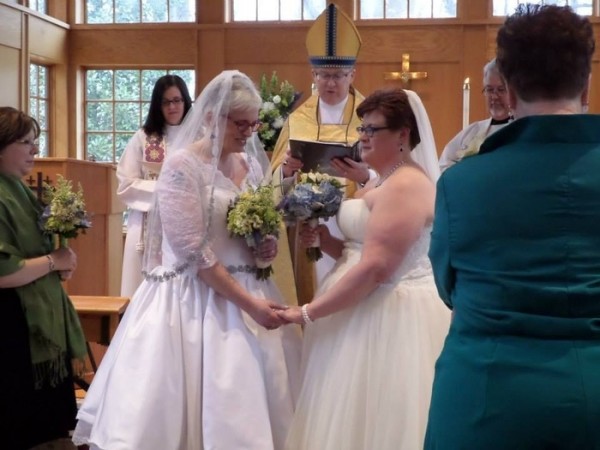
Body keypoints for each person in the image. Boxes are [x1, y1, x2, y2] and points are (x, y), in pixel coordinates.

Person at [72, 70, 301, 450]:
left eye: (253, 123)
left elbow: (258, 224)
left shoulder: (251, 164)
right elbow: (193, 250)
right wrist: (250, 306)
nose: (248, 132)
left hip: (250, 286)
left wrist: (266, 245)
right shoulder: (182, 167)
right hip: (195, 299)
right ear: (212, 118)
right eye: (240, 123)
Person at [426, 5, 600, 449]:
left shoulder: (460, 183)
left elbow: (449, 289)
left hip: (489, 399)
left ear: (509, 85)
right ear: (587, 81)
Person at [278, 88, 451, 450]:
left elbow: (376, 269)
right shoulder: (379, 179)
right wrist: (326, 242)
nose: (362, 137)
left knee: (377, 419)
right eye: (361, 128)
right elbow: (362, 249)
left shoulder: (405, 186)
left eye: (372, 130)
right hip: (358, 306)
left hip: (387, 316)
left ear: (403, 134)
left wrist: (306, 312)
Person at [270, 3, 373, 306]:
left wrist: (365, 175)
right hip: (308, 226)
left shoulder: (369, 117)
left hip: (354, 224)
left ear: (352, 74)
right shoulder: (297, 119)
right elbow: (273, 178)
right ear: (313, 73)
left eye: (338, 75)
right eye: (324, 75)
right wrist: (287, 171)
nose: (330, 83)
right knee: (312, 300)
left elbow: (390, 169)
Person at [0, 107, 87, 450]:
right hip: (11, 325)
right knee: (22, 427)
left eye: (35, 143)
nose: (34, 151)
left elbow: (37, 255)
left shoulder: (19, 191)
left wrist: (60, 264)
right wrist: (52, 262)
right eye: (26, 143)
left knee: (47, 427)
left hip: (34, 321)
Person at [117, 74, 193, 298]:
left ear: (186, 101)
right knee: (142, 288)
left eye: (177, 100)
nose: (172, 107)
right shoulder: (144, 138)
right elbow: (125, 184)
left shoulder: (199, 137)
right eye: (166, 102)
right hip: (147, 224)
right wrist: (165, 189)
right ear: (157, 105)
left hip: (189, 222)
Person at [438, 58, 511, 172]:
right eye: (489, 90)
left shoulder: (523, 129)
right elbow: (444, 165)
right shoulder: (473, 132)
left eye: (501, 90)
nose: (494, 96)